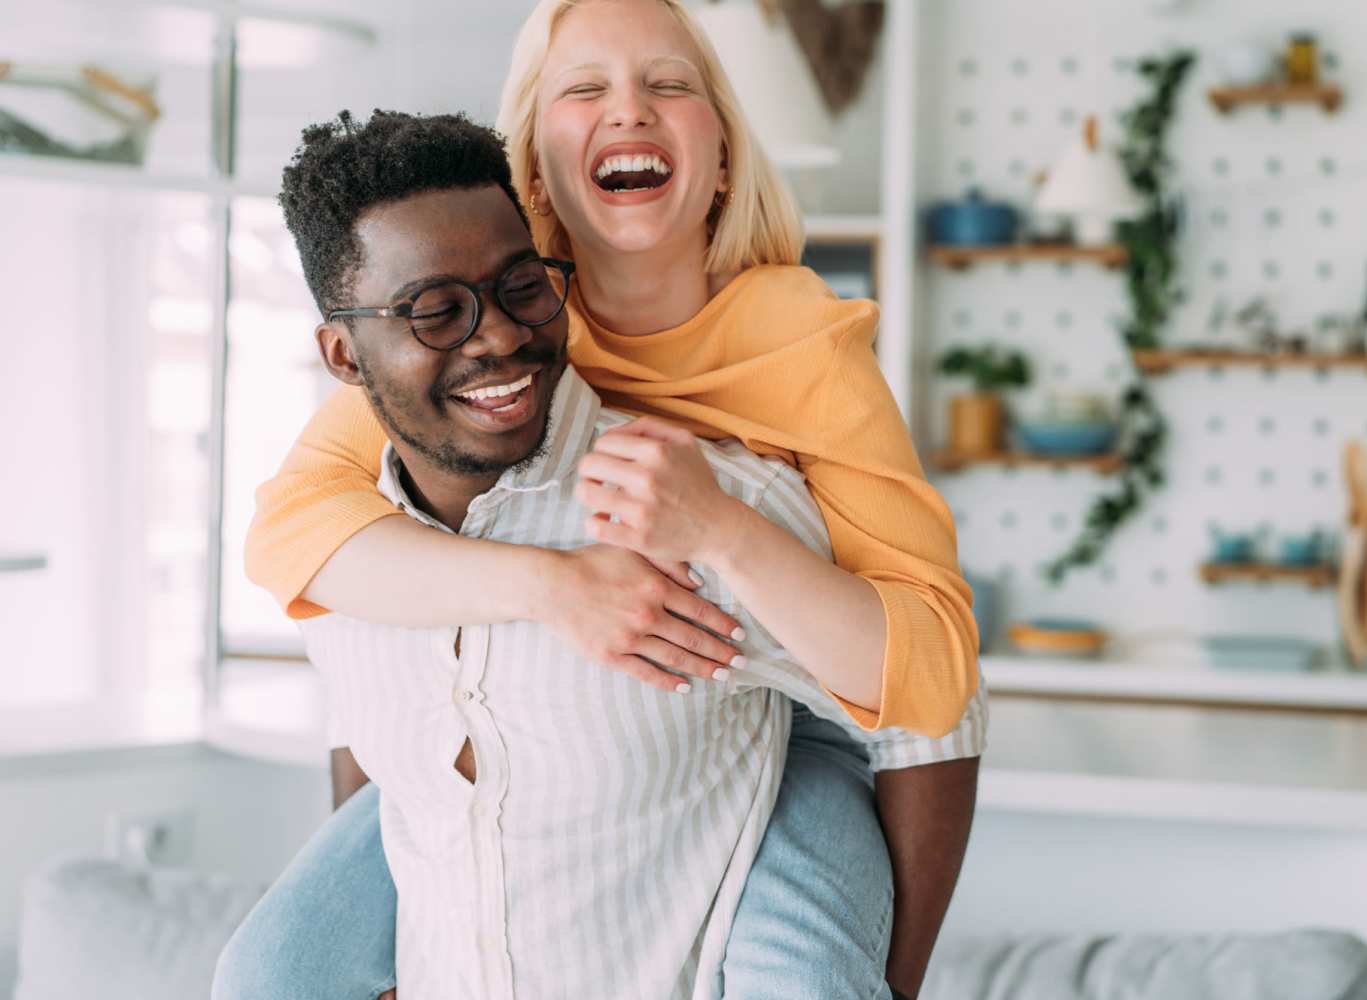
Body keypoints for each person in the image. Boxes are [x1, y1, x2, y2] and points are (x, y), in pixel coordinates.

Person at [221, 1, 983, 996]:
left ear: (722, 159)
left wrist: (718, 526)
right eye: (584, 88)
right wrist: (554, 587)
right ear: (535, 168)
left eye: (670, 83)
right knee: (267, 969)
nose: (630, 109)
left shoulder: (802, 346)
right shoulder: (499, 325)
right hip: (550, 723)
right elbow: (297, 533)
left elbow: (936, 686)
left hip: (795, 719)